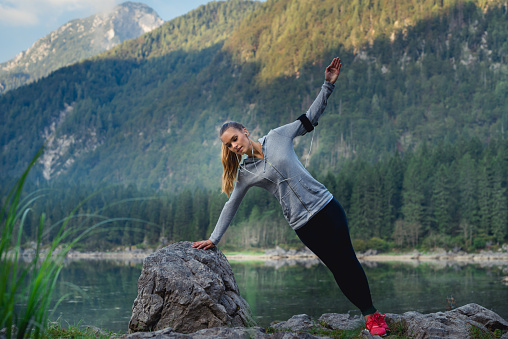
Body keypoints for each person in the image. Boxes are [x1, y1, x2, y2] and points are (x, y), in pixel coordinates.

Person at [191, 57, 390, 336]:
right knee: (337, 268)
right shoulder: (246, 173)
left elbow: (310, 117)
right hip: (303, 225)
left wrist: (328, 85)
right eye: (229, 145)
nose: (235, 146)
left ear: (245, 132)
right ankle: (368, 315)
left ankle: (372, 315)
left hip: (326, 206)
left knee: (349, 260)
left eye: (235, 138)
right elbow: (231, 205)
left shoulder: (277, 137)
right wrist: (213, 239)